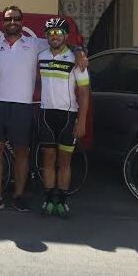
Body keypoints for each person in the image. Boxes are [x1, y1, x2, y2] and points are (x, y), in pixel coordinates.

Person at [0, 6, 87, 212]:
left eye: (16, 19)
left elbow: (62, 42)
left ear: (22, 22)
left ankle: (18, 196)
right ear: (2, 22)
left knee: (21, 152)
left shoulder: (35, 43)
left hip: (23, 105)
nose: (12, 22)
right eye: (9, 19)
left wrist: (80, 51)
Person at [37, 18, 90, 218]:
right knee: (48, 160)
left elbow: (84, 93)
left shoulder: (76, 59)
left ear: (66, 36)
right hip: (46, 114)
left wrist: (82, 121)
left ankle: (63, 200)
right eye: (51, 33)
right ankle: (49, 198)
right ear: (46, 36)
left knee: (65, 161)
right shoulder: (41, 56)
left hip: (68, 115)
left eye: (59, 32)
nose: (55, 36)